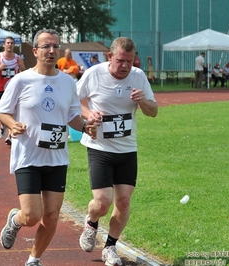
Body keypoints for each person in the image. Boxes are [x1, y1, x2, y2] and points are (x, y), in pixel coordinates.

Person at [0, 28, 97, 266]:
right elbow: (1, 110)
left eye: (55, 46)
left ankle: (33, 260)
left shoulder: (67, 82)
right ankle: (15, 221)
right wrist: (13, 124)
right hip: (28, 156)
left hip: (57, 158)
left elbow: (73, 115)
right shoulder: (21, 80)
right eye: (46, 47)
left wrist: (85, 127)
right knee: (32, 216)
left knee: (51, 217)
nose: (52, 51)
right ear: (35, 51)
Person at [77, 37, 158, 266]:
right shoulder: (94, 74)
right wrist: (88, 113)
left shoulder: (139, 76)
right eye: (121, 60)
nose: (125, 66)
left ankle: (110, 247)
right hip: (99, 147)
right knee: (103, 202)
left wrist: (143, 101)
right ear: (110, 57)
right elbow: (73, 101)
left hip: (127, 148)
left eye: (130, 62)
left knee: (123, 202)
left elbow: (153, 111)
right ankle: (91, 222)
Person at [0, 37, 26, 144]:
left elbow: (24, 72)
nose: (10, 45)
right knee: (0, 111)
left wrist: (20, 76)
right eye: (8, 43)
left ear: (14, 45)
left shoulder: (18, 59)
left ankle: (9, 136)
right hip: (0, 88)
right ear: (4, 45)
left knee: (11, 111)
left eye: (12, 43)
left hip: (13, 88)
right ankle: (2, 125)